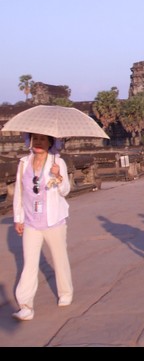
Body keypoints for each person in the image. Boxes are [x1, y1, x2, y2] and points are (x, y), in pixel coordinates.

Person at [12, 133, 73, 321]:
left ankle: (65, 292)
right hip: (31, 221)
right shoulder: (23, 163)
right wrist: (18, 218)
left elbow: (66, 191)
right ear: (30, 141)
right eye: (35, 139)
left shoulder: (57, 162)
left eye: (42, 139)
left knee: (59, 259)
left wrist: (59, 176)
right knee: (29, 263)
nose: (38, 142)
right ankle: (25, 305)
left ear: (50, 142)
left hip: (53, 220)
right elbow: (19, 192)